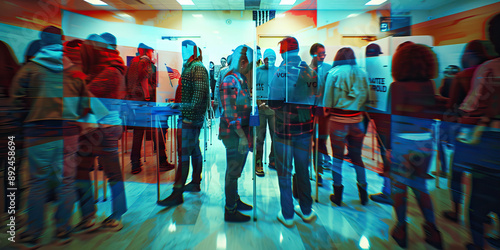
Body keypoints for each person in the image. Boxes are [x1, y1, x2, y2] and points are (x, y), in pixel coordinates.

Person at [11, 26, 90, 247]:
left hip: (38, 135)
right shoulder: (75, 71)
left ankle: (34, 233)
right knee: (67, 183)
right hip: (69, 134)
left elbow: (16, 103)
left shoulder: (29, 69)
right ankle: (63, 230)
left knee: (38, 184)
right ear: (62, 42)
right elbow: (85, 105)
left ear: (42, 41)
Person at [388, 43, 443, 249]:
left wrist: (388, 147)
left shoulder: (397, 87)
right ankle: (433, 231)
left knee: (399, 187)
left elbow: (392, 119)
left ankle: (401, 229)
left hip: (402, 143)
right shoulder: (429, 85)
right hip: (426, 142)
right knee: (420, 186)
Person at [73, 34, 128, 233]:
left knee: (112, 173)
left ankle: (115, 215)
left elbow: (86, 96)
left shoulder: (110, 71)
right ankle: (89, 215)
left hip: (104, 130)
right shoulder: (110, 67)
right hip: (97, 129)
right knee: (81, 170)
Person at [457, 13, 500, 250]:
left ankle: (478, 244)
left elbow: (472, 106)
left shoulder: (490, 68)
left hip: (490, 142)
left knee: (481, 196)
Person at [441, 40, 495, 223]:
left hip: (466, 133)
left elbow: (452, 107)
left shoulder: (463, 76)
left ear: (469, 54)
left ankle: (456, 211)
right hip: (490, 135)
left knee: (457, 173)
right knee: (485, 179)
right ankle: (485, 213)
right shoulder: (493, 71)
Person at [269, 37, 318, 227]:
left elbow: (273, 103)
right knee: (303, 170)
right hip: (305, 131)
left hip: (284, 132)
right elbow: (315, 102)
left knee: (284, 172)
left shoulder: (280, 73)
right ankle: (306, 211)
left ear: (282, 52)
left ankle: (287, 214)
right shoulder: (311, 72)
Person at [158, 40, 209, 206]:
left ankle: (177, 192)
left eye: (184, 49)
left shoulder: (198, 67)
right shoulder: (190, 67)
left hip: (191, 118)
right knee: (193, 150)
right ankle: (195, 182)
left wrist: (188, 117)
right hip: (188, 116)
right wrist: (178, 105)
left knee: (184, 153)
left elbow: (199, 96)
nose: (182, 52)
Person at [323, 47, 370, 206]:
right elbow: (367, 99)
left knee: (337, 158)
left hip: (338, 121)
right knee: (357, 157)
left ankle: (338, 195)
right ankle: (363, 194)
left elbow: (327, 102)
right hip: (357, 121)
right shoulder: (363, 73)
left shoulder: (333, 73)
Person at [125, 43, 174, 174]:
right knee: (158, 130)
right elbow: (144, 79)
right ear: (147, 51)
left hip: (134, 102)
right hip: (146, 103)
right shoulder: (145, 62)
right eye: (152, 51)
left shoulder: (132, 63)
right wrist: (147, 97)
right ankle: (162, 161)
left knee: (138, 133)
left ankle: (135, 164)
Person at [218, 45, 254, 222]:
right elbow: (230, 113)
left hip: (241, 133)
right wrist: (241, 136)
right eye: (248, 63)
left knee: (236, 171)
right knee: (233, 172)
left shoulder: (240, 80)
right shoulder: (230, 81)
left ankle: (235, 200)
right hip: (234, 135)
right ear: (242, 62)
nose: (249, 67)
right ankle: (230, 209)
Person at [309, 43, 332, 186]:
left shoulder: (329, 69)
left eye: (324, 53)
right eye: (320, 53)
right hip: (311, 111)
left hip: (324, 111)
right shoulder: (307, 71)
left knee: (321, 140)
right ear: (313, 54)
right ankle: (318, 171)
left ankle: (323, 165)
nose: (323, 56)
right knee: (314, 142)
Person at [255, 48, 278, 177]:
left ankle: (273, 161)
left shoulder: (278, 71)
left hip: (274, 109)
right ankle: (258, 163)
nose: (269, 61)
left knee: (275, 136)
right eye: (267, 58)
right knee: (260, 138)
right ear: (263, 59)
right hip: (261, 109)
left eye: (272, 58)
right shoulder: (258, 71)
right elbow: (253, 89)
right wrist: (259, 103)